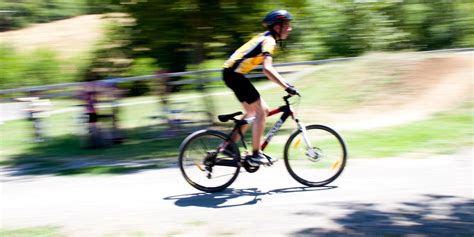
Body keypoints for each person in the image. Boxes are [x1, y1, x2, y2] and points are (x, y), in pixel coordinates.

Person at [222, 9, 299, 166]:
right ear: (277, 27)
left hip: (231, 74)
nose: (290, 28)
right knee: (262, 111)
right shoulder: (269, 41)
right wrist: (286, 87)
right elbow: (267, 69)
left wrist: (285, 85)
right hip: (234, 74)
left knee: (251, 111)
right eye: (287, 25)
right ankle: (256, 154)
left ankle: (229, 146)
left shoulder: (266, 38)